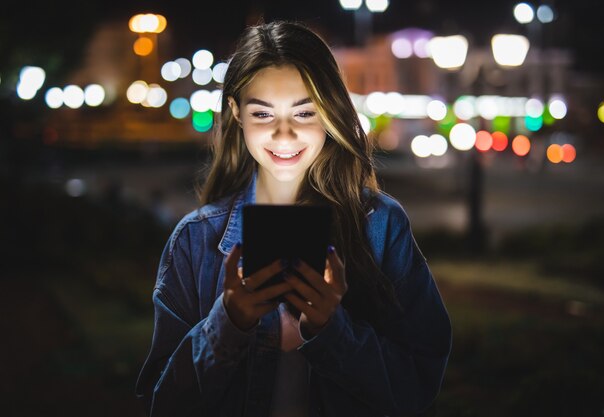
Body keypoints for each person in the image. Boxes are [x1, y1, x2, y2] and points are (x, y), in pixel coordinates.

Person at [136, 20, 452, 417]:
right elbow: (161, 405)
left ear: (330, 110)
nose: (284, 136)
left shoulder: (380, 224)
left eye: (304, 113)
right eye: (263, 114)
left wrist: (331, 330)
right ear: (236, 113)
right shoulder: (196, 240)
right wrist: (228, 324)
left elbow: (419, 385)